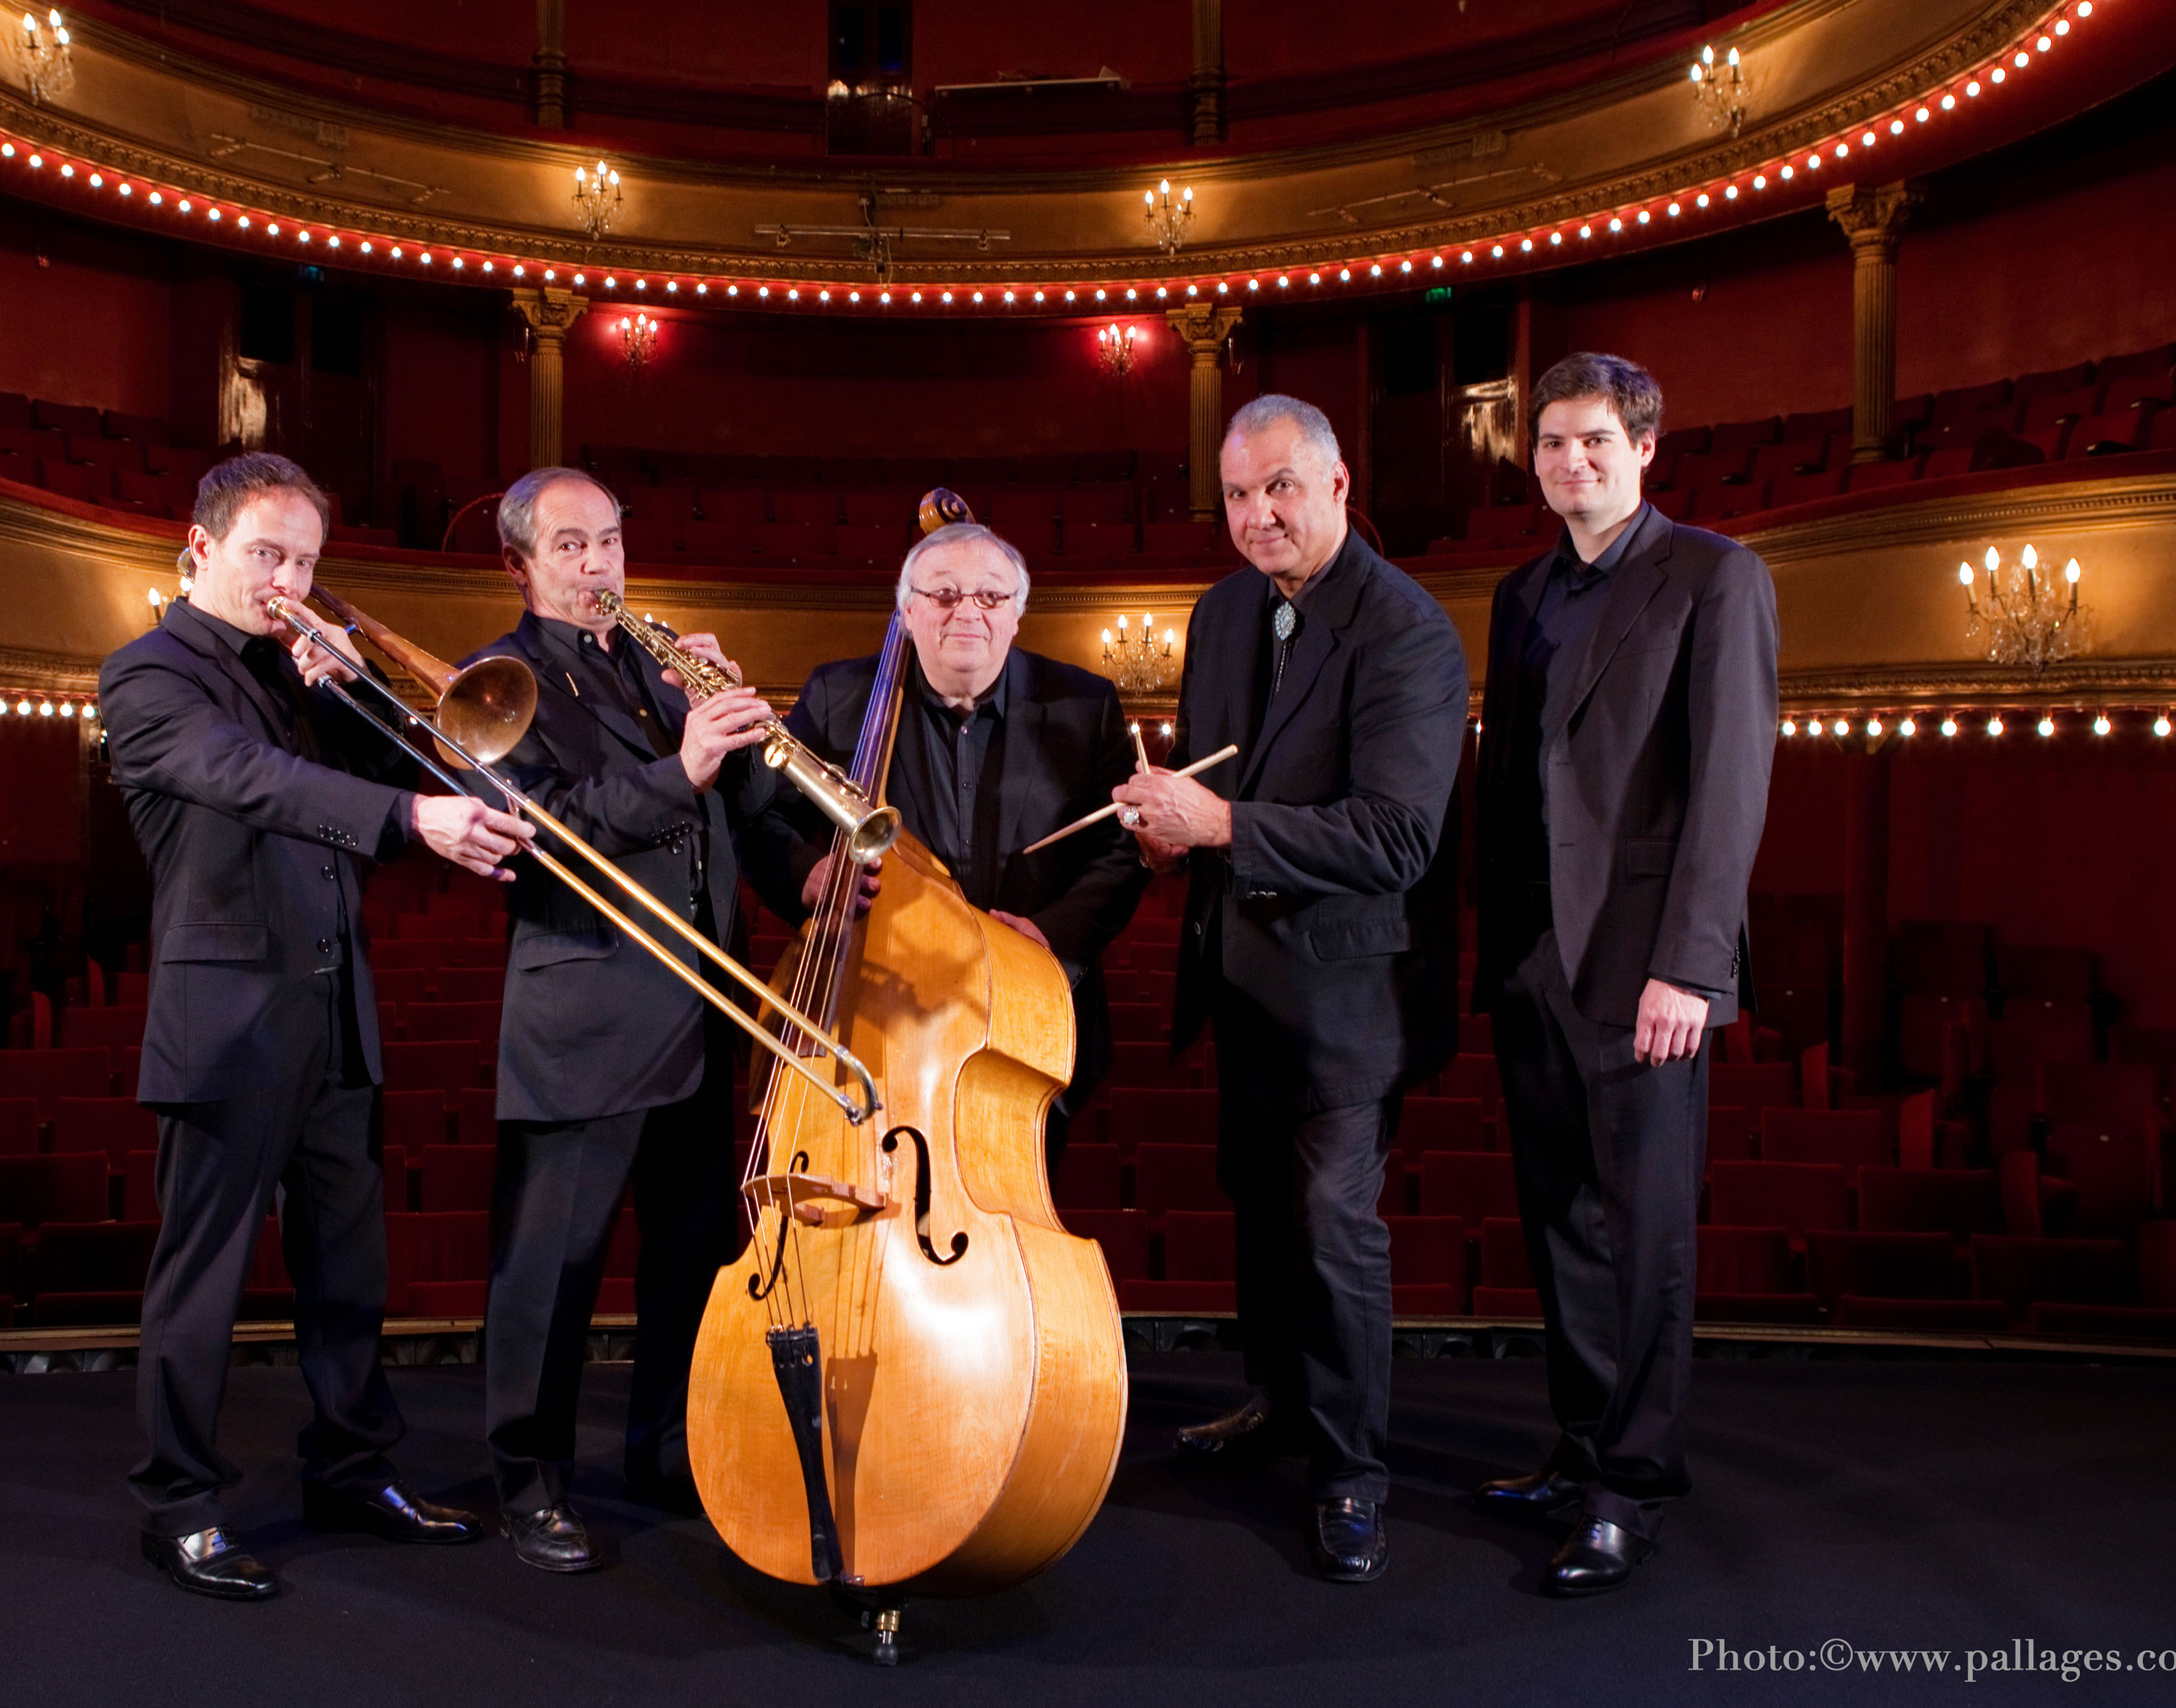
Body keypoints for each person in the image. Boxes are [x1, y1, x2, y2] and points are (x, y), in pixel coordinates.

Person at [100, 451, 534, 1600]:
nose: (288, 579)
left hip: (334, 1006)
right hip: (228, 1016)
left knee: (351, 1269)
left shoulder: (296, 677)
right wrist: (408, 818)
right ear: (200, 549)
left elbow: (425, 757)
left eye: (303, 560)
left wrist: (350, 695)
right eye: (266, 554)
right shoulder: (146, 678)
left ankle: (351, 1467)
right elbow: (250, 782)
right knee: (200, 1280)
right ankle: (179, 1503)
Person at [1112, 396, 1469, 1584]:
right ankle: (1275, 1403)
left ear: (1335, 485)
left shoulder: (1405, 630)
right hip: (1242, 978)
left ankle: (1352, 1472)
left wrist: (1222, 824)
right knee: (1260, 1215)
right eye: (1235, 496)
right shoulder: (1221, 613)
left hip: (1346, 999)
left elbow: (1396, 837)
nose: (1256, 514)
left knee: (1333, 1236)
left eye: (1277, 488)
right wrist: (1170, 832)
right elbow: (1216, 783)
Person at [1469, 351, 1778, 1596]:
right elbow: (1509, 789)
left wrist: (1689, 969)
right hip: (1537, 958)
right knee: (1561, 1224)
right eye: (1550, 443)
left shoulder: (1715, 574)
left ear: (1644, 448)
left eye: (1594, 441)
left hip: (1647, 965)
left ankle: (1630, 1487)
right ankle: (1580, 1442)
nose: (1569, 462)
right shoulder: (1517, 589)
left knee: (1644, 1233)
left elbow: (1728, 784)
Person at [459, 466, 784, 1574]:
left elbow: (719, 814)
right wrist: (681, 764)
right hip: (587, 1016)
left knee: (689, 1258)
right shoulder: (494, 683)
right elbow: (542, 831)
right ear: (519, 565)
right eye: (569, 547)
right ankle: (528, 1479)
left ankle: (666, 1451)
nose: (598, 564)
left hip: (700, 1009)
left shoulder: (653, 664)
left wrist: (729, 744)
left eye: (608, 541)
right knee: (552, 1268)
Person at [738, 521, 1151, 1171]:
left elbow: (1122, 848)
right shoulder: (836, 696)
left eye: (990, 597)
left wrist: (1051, 937)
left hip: (1025, 1024)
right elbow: (759, 821)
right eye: (944, 594)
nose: (968, 612)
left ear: (1017, 615)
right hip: (879, 1017)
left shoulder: (1083, 704)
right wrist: (808, 873)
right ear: (906, 611)